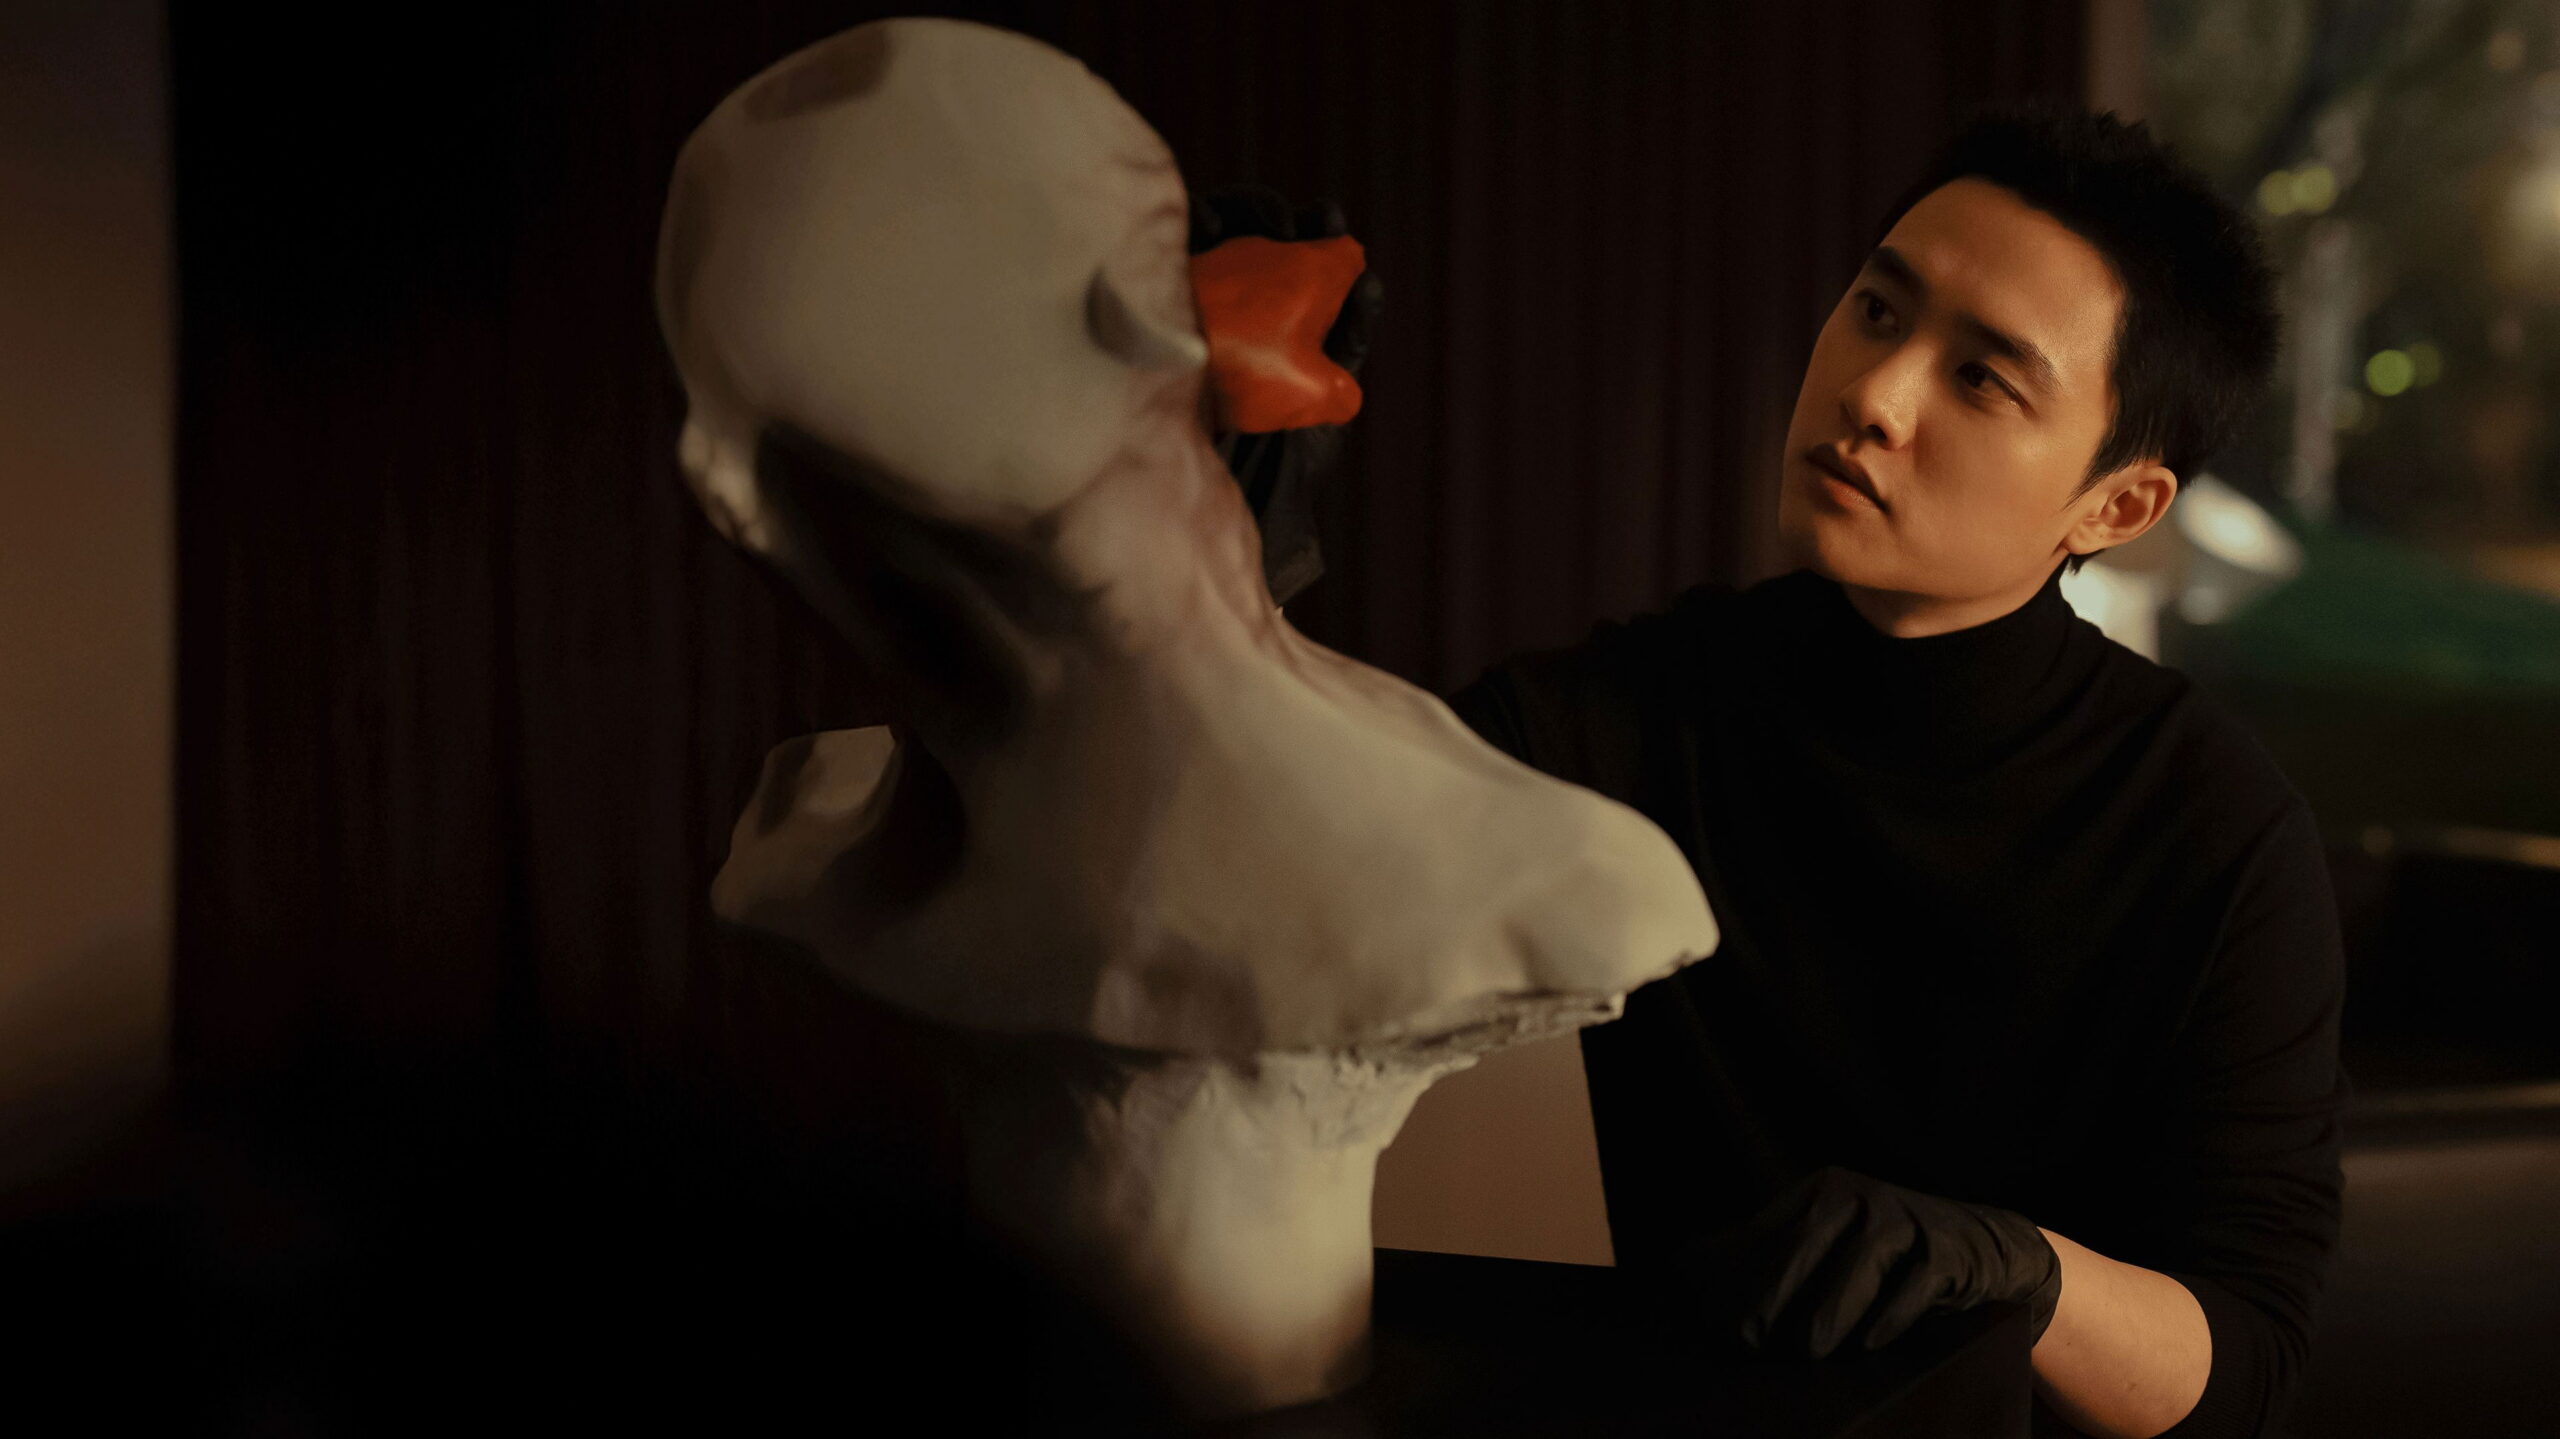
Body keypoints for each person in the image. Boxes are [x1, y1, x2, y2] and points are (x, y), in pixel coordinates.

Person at [1439, 104, 2344, 1439]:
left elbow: (2246, 1360)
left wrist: (2024, 1270)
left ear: (2116, 506)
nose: (1873, 394)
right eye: (1877, 310)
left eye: (1982, 379)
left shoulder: (2215, 832)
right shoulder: (1624, 717)